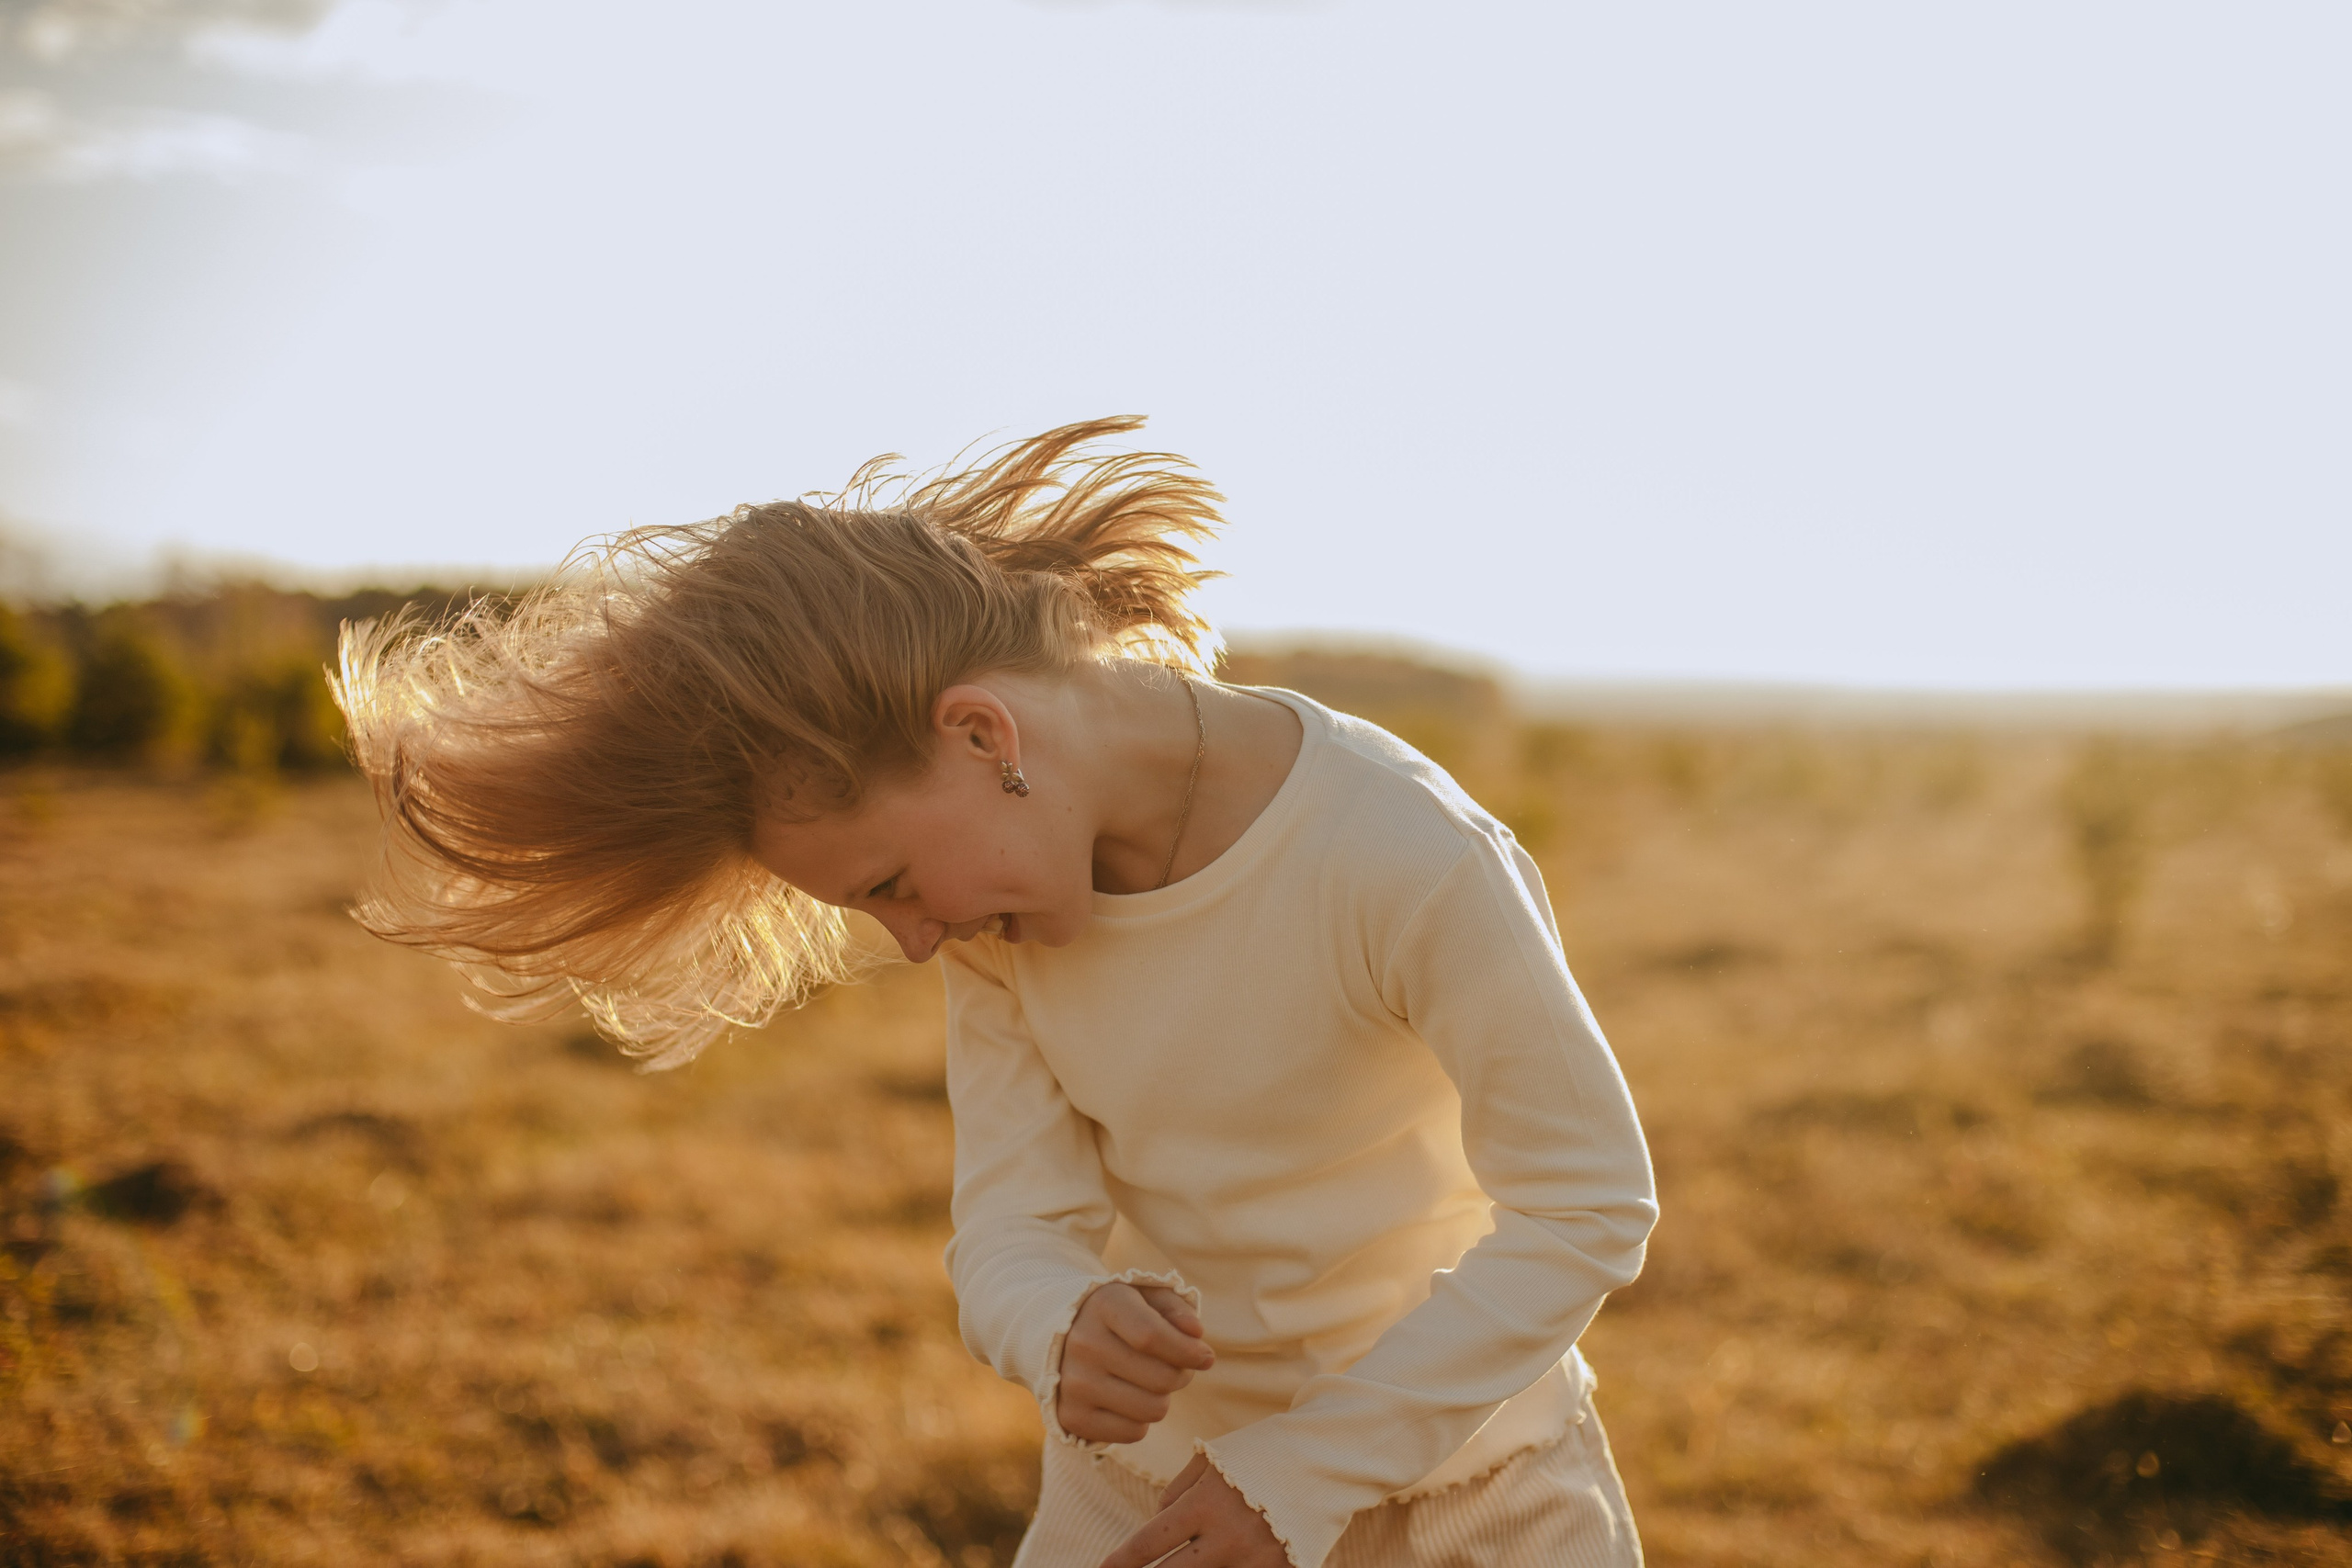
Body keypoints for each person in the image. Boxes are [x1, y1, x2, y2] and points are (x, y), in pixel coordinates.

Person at [332, 417, 1658, 1568]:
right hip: (1142, 1505)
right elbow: (1008, 1232)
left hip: (1471, 1499)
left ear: (983, 735)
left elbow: (1587, 1204)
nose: (911, 942)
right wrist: (1062, 1325)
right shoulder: (1003, 917)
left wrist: (1301, 1475)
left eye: (889, 882)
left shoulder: (1400, 852)